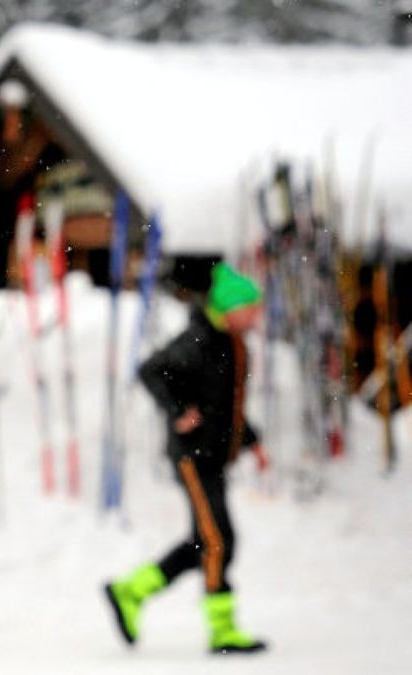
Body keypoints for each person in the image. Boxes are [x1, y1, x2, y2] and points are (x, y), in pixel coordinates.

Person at [104, 262, 269, 654]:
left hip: (212, 455)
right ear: (230, 308)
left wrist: (252, 441)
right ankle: (222, 630)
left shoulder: (230, 342)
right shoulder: (199, 340)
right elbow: (151, 370)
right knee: (218, 541)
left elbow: (224, 405)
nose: (255, 316)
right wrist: (178, 410)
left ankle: (131, 591)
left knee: (203, 543)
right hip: (193, 457)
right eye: (249, 308)